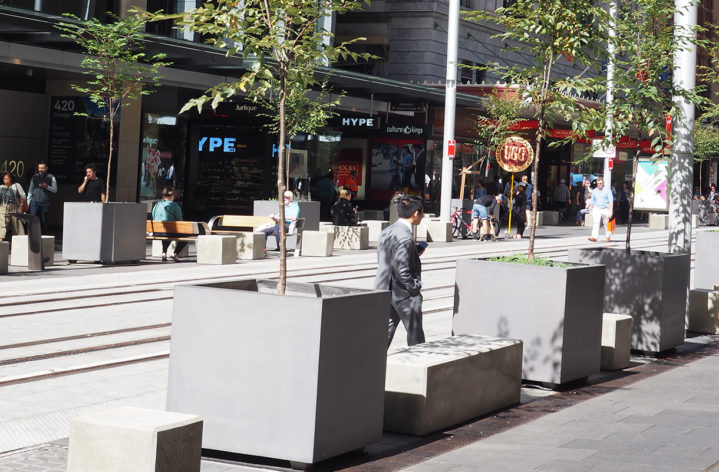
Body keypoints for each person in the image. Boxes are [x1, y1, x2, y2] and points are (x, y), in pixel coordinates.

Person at [374, 194, 425, 347]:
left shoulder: (386, 231)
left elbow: (386, 258)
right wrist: (414, 286)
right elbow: (402, 270)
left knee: (384, 332)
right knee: (415, 336)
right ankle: (418, 365)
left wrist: (413, 252)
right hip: (403, 293)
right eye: (422, 213)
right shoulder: (405, 237)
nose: (422, 217)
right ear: (416, 213)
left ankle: (372, 363)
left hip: (384, 288)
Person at [152, 187, 186, 262]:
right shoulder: (175, 205)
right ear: (172, 196)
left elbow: (154, 217)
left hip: (157, 232)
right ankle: (175, 253)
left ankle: (164, 252)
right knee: (186, 234)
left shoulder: (157, 205)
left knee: (168, 231)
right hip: (170, 232)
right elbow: (180, 222)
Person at [27, 161, 57, 235]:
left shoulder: (51, 177)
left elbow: (55, 190)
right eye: (39, 168)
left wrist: (47, 186)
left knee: (44, 220)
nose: (41, 169)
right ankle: (31, 235)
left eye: (43, 168)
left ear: (46, 168)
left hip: (45, 202)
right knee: (32, 218)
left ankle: (44, 236)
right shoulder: (34, 177)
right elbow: (30, 190)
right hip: (34, 201)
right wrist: (28, 202)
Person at [0, 172, 27, 241]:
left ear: (11, 179)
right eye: (4, 178)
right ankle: (1, 239)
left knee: (16, 224)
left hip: (14, 206)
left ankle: (20, 241)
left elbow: (23, 196)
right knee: (2, 223)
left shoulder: (16, 185)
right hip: (3, 207)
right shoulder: (1, 187)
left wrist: (20, 207)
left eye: (7, 178)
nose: (6, 180)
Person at [589, 177, 613, 242]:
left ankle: (608, 236)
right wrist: (590, 210)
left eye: (600, 183)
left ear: (603, 183)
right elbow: (592, 201)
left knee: (606, 223)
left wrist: (611, 211)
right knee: (596, 222)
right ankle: (594, 237)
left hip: (605, 208)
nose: (599, 185)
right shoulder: (594, 191)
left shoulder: (607, 190)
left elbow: (611, 201)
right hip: (597, 208)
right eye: (598, 184)